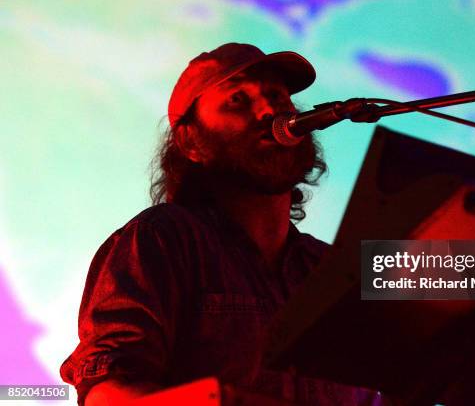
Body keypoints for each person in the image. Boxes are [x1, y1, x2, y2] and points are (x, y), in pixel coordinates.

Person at [60, 43, 386, 406]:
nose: (269, 109)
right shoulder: (162, 240)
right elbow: (107, 395)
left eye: (277, 95)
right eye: (238, 100)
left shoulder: (330, 269)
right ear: (190, 141)